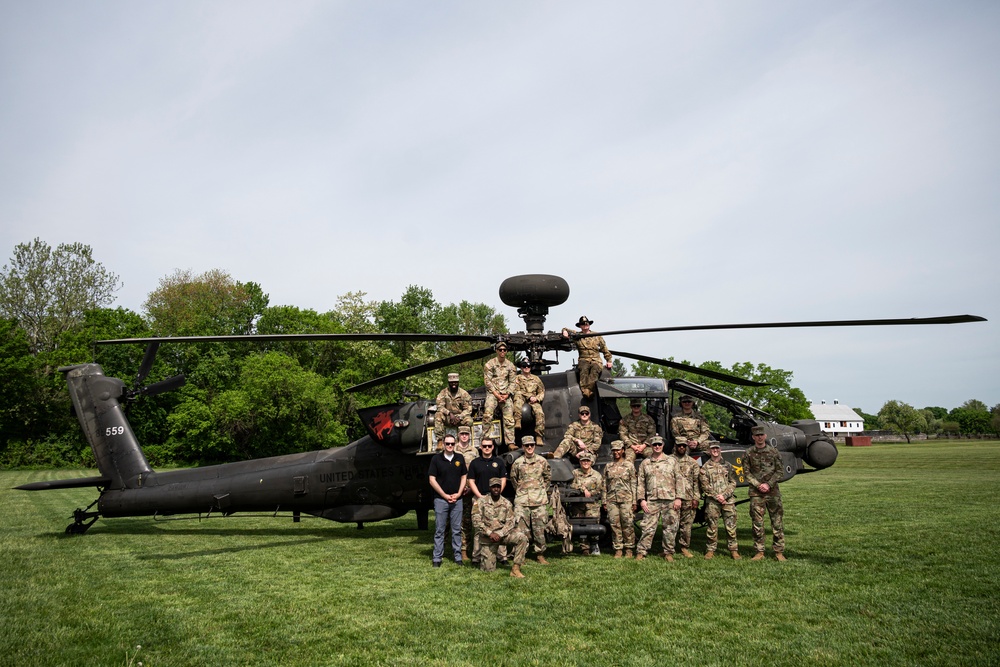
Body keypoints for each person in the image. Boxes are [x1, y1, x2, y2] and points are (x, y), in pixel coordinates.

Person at [635, 435, 684, 562]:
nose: (657, 447)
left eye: (659, 445)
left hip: (670, 499)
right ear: (651, 446)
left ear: (663, 446)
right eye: (654, 445)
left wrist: (679, 498)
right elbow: (640, 482)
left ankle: (668, 552)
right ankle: (642, 551)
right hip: (652, 500)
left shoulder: (672, 461)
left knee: (670, 527)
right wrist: (641, 499)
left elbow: (679, 480)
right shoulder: (645, 463)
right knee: (647, 527)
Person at [473, 477, 529, 578]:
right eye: (494, 487)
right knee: (488, 571)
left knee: (522, 538)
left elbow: (510, 522)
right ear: (490, 488)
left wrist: (500, 534)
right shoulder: (480, 502)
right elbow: (476, 521)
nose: (496, 489)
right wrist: (490, 533)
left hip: (503, 536)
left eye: (498, 487)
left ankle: (515, 569)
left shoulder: (507, 503)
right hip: (488, 538)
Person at [745, 425, 786, 561]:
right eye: (757, 435)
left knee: (777, 522)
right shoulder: (748, 453)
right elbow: (747, 472)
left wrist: (768, 484)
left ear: (765, 436)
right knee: (757, 523)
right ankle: (759, 551)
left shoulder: (774, 452)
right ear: (753, 437)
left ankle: (779, 551)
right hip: (756, 493)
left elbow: (780, 471)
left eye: (761, 435)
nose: (759, 437)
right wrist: (758, 485)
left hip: (773, 492)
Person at [509, 435, 551, 564]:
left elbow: (547, 478)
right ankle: (522, 555)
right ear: (523, 447)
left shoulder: (542, 461)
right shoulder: (517, 463)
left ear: (534, 446)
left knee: (540, 530)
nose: (529, 448)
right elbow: (513, 479)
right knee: (521, 531)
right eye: (527, 445)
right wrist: (522, 492)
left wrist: (540, 490)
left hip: (539, 501)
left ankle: (540, 554)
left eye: (531, 445)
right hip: (522, 501)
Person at [427, 435, 468, 566]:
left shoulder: (459, 458)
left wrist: (459, 493)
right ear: (443, 444)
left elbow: (464, 476)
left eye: (452, 443)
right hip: (441, 500)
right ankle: (437, 558)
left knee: (456, 530)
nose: (450, 446)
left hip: (457, 500)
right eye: (447, 444)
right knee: (440, 529)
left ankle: (458, 557)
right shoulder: (436, 459)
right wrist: (444, 495)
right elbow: (431, 480)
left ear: (455, 444)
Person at [467, 437, 508, 564]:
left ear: (493, 447)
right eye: (484, 446)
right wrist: (479, 496)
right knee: (479, 527)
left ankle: (502, 556)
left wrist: (497, 494)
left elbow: (503, 480)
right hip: (479, 497)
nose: (487, 448)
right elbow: (471, 481)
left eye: (489, 446)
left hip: (496, 499)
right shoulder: (475, 463)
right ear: (480, 447)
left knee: (499, 525)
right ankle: (477, 556)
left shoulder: (498, 462)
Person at [699, 441, 740, 560]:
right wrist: (717, 496)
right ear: (709, 451)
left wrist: (725, 495)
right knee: (712, 526)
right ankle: (711, 549)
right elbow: (705, 485)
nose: (715, 451)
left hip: (728, 501)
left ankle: (733, 550)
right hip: (712, 502)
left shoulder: (728, 465)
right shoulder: (705, 468)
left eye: (717, 448)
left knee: (731, 526)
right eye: (712, 449)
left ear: (720, 449)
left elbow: (733, 482)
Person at [561, 316, 612, 399]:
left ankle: (588, 391)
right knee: (584, 370)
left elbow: (604, 349)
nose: (585, 325)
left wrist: (609, 360)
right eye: (583, 324)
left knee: (595, 369)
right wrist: (564, 331)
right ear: (580, 326)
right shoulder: (577, 336)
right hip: (583, 359)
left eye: (586, 323)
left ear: (589, 325)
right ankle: (586, 391)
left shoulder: (597, 336)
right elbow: (565, 328)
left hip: (596, 359)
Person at [603, 440, 637, 558]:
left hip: (626, 499)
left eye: (618, 450)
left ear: (623, 450)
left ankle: (629, 548)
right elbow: (604, 485)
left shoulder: (629, 465)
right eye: (614, 450)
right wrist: (604, 501)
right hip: (612, 499)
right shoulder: (608, 466)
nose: (616, 452)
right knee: (614, 524)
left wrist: (634, 501)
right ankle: (618, 548)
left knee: (627, 523)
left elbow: (634, 483)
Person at [483, 342, 518, 450]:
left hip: (506, 394)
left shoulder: (510, 366)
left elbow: (513, 382)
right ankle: (485, 439)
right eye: (500, 349)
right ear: (497, 351)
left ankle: (510, 442)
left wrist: (507, 394)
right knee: (487, 414)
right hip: (493, 394)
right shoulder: (490, 364)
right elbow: (487, 381)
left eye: (504, 350)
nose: (502, 351)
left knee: (509, 418)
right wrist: (497, 395)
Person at [569, 451, 605, 555]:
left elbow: (599, 489)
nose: (585, 463)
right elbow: (571, 485)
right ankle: (584, 547)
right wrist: (582, 489)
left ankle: (594, 544)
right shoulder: (575, 473)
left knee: (593, 525)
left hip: (592, 505)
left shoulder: (597, 475)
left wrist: (590, 493)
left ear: (591, 462)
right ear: (580, 462)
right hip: (578, 505)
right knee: (580, 525)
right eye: (583, 461)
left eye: (587, 461)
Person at [673, 439, 701, 558]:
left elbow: (696, 482)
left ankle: (684, 547)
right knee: (671, 525)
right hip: (673, 497)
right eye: (679, 446)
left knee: (686, 525)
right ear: (676, 446)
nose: (681, 448)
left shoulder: (692, 462)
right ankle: (669, 548)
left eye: (683, 446)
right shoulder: (669, 460)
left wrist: (696, 498)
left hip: (688, 497)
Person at [455, 426, 478, 561]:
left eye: (466, 434)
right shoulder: (453, 449)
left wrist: (471, 488)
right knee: (452, 522)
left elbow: (476, 471)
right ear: (458, 435)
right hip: (455, 491)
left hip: (469, 491)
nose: (464, 436)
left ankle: (464, 550)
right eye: (462, 434)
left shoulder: (474, 451)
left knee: (467, 521)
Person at [434, 373, 473, 447]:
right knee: (438, 415)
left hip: (459, 418)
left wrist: (460, 417)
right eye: (451, 382)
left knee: (469, 421)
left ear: (458, 382)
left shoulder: (464, 394)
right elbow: (439, 406)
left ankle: (465, 441)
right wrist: (449, 413)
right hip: (448, 418)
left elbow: (468, 409)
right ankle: (439, 441)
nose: (453, 384)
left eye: (455, 382)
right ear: (448, 383)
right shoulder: (443, 393)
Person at [513, 359, 546, 444]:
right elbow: (516, 390)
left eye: (528, 366)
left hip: (533, 400)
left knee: (540, 413)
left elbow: (542, 391)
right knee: (517, 400)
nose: (526, 368)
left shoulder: (536, 379)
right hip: (522, 397)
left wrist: (537, 398)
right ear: (521, 367)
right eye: (524, 366)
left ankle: (539, 436)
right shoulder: (517, 378)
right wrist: (529, 396)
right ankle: (518, 421)